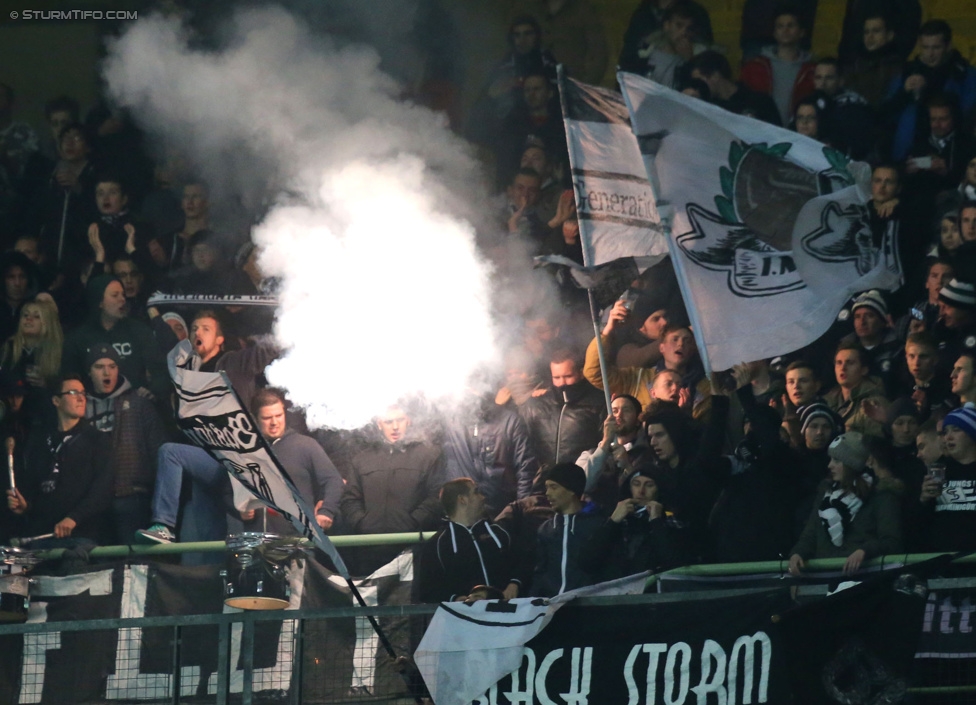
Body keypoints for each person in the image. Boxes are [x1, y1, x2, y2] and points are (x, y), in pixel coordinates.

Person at [135, 309, 278, 545]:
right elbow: (169, 342)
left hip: (235, 460)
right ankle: (207, 576)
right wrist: (153, 313)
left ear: (220, 339)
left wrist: (279, 315)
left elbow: (267, 350)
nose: (197, 332)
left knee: (170, 452)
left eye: (206, 329)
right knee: (208, 542)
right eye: (194, 328)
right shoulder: (187, 372)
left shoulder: (233, 362)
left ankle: (163, 524)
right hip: (207, 462)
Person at [6, 375, 112, 546]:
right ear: (56, 400)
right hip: (40, 537)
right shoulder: (39, 441)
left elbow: (103, 489)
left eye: (83, 393)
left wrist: (74, 518)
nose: (80, 398)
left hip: (80, 537)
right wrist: (26, 506)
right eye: (72, 392)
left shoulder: (97, 440)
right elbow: (34, 486)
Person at [340, 405, 447, 574]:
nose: (395, 426)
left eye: (400, 420)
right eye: (389, 421)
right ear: (379, 423)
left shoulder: (428, 454)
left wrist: (413, 522)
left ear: (408, 420)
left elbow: (437, 496)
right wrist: (363, 524)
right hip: (370, 550)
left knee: (412, 598)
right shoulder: (362, 458)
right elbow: (350, 499)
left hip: (413, 548)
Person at [84, 344, 167, 543]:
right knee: (98, 562)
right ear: (89, 371)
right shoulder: (80, 405)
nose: (107, 372)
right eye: (99, 366)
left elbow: (159, 450)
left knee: (133, 560)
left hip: (131, 495)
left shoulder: (139, 402)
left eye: (112, 366)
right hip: (91, 501)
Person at [789, 431, 903, 575]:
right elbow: (810, 534)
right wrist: (798, 553)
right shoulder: (825, 496)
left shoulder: (882, 496)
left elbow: (891, 540)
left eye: (836, 460)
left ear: (852, 464)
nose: (830, 465)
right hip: (825, 578)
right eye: (831, 459)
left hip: (864, 579)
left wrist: (864, 551)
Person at [240, 388, 343, 536]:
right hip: (258, 543)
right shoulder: (246, 452)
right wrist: (240, 509)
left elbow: (334, 480)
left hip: (299, 542)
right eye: (267, 418)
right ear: (255, 418)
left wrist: (326, 510)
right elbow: (228, 491)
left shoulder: (306, 445)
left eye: (279, 415)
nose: (274, 422)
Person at [61, 274, 170, 400]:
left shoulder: (139, 331)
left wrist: (152, 389)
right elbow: (69, 380)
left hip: (134, 407)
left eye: (123, 294)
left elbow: (160, 370)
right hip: (92, 409)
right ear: (99, 301)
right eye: (115, 295)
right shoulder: (77, 338)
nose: (122, 299)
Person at [413, 478, 521, 603]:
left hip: (507, 616)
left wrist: (515, 583)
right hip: (465, 620)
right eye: (476, 492)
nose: (482, 497)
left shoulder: (499, 531)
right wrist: (456, 599)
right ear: (462, 500)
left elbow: (522, 562)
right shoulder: (437, 544)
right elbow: (427, 590)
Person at [579, 468, 693, 581]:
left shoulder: (671, 522)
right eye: (636, 484)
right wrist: (613, 521)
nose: (641, 491)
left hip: (651, 595)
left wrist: (656, 521)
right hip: (612, 595)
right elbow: (587, 562)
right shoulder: (616, 519)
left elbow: (676, 564)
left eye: (649, 485)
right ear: (629, 488)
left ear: (659, 489)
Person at [887, 20, 976, 163]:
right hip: (908, 149)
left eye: (936, 47)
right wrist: (903, 93)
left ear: (948, 46)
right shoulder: (907, 72)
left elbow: (966, 116)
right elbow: (886, 115)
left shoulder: (963, 74)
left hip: (948, 152)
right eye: (925, 47)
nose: (930, 54)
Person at [441, 389, 538, 516]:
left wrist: (522, 511)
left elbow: (525, 468)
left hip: (502, 510)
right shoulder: (451, 421)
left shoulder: (509, 420)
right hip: (462, 510)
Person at [519, 347, 605, 470]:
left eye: (568, 376)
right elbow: (522, 445)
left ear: (581, 373)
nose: (562, 383)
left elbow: (605, 444)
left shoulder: (598, 402)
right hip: (544, 482)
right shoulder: (537, 404)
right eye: (557, 377)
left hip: (580, 479)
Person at [530, 462, 604, 596]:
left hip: (587, 606)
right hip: (550, 607)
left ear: (571, 490)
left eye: (554, 487)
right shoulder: (545, 529)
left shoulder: (598, 525)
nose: (547, 493)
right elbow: (539, 571)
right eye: (547, 487)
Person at [576, 393, 656, 508]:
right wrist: (604, 445)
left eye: (626, 410)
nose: (619, 415)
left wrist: (628, 467)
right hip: (597, 520)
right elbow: (580, 486)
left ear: (638, 418)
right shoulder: (590, 454)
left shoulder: (649, 454)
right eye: (614, 411)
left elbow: (647, 493)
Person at [740, 7, 816, 125]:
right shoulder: (755, 67)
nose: (785, 30)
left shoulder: (813, 70)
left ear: (801, 32)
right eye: (780, 26)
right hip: (762, 131)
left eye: (790, 25)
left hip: (800, 134)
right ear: (774, 33)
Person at [917, 407, 976, 552]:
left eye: (956, 430)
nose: (948, 437)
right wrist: (924, 500)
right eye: (945, 432)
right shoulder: (938, 470)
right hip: (943, 565)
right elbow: (920, 526)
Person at [687, 51, 781, 125]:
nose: (698, 86)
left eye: (700, 81)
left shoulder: (761, 102)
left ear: (715, 76)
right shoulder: (708, 109)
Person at [824, 342, 887, 436]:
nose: (843, 368)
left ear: (864, 370)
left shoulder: (875, 404)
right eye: (839, 363)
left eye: (850, 363)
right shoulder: (826, 402)